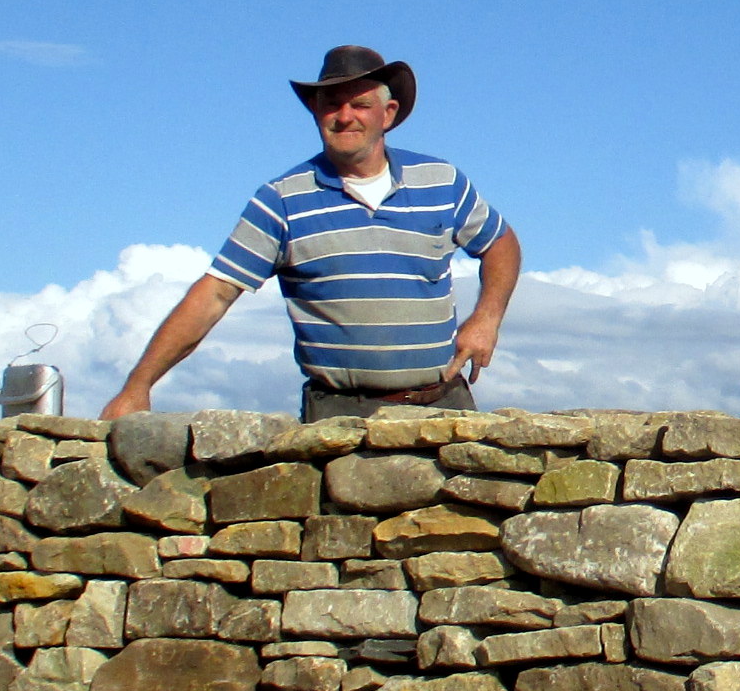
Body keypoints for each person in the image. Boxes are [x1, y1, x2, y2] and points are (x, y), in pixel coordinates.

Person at [100, 44, 521, 423]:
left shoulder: (441, 181)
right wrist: (138, 386)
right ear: (316, 112)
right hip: (340, 416)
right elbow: (215, 294)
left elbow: (501, 243)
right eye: (332, 104)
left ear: (388, 114)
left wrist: (487, 318)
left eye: (360, 104)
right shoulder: (282, 201)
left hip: (443, 405)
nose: (345, 116)